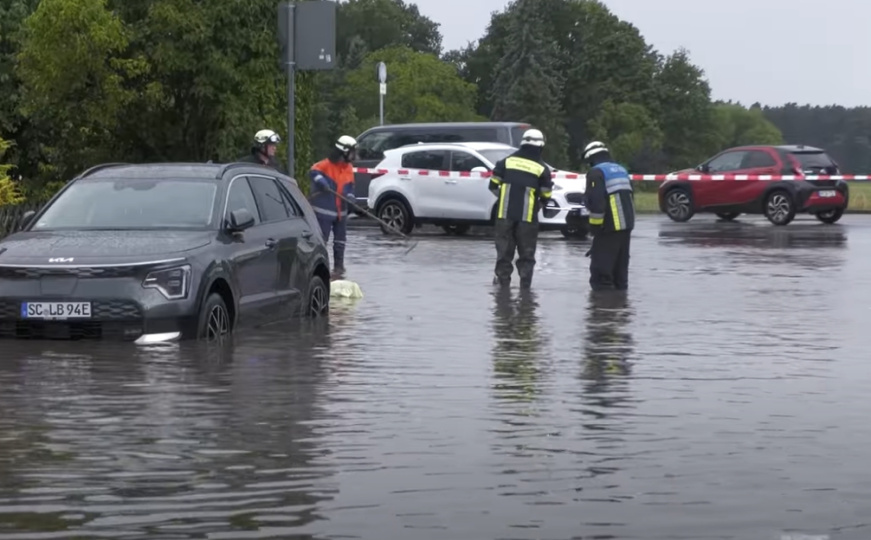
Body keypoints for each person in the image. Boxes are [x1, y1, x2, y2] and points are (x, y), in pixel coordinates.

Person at [488, 128, 553, 288]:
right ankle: (525, 289)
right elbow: (546, 195)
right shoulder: (542, 168)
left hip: (505, 216)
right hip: (528, 219)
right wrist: (536, 205)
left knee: (504, 253)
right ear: (540, 146)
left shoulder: (506, 162)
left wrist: (505, 199)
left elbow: (493, 186)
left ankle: (503, 289)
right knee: (527, 256)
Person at [582, 141, 635, 291]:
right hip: (626, 226)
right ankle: (621, 307)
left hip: (609, 227)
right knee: (620, 273)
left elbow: (597, 204)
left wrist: (594, 228)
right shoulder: (622, 170)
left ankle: (603, 310)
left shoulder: (596, 173)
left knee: (601, 273)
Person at [309, 135, 358, 279]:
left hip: (340, 212)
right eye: (352, 151)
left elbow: (349, 187)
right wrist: (322, 182)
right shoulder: (326, 165)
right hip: (324, 211)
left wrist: (350, 197)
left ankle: (338, 270)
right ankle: (318, 268)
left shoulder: (348, 168)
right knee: (322, 241)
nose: (354, 155)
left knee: (340, 241)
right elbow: (313, 171)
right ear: (343, 151)